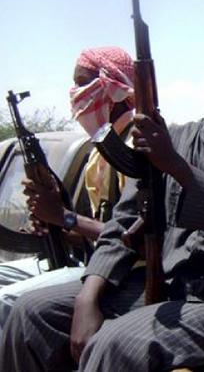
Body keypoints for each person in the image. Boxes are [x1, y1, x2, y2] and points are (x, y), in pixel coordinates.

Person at [0, 41, 204, 371]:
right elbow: (124, 221)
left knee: (117, 346)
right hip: (163, 284)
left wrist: (178, 168)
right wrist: (89, 295)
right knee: (31, 315)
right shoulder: (179, 138)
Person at [0, 47, 135, 332]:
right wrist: (54, 226)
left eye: (83, 82)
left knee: (6, 302)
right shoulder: (99, 152)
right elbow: (95, 233)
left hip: (121, 274)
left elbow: (133, 238)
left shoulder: (135, 147)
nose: (75, 93)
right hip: (92, 260)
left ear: (112, 86)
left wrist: (64, 217)